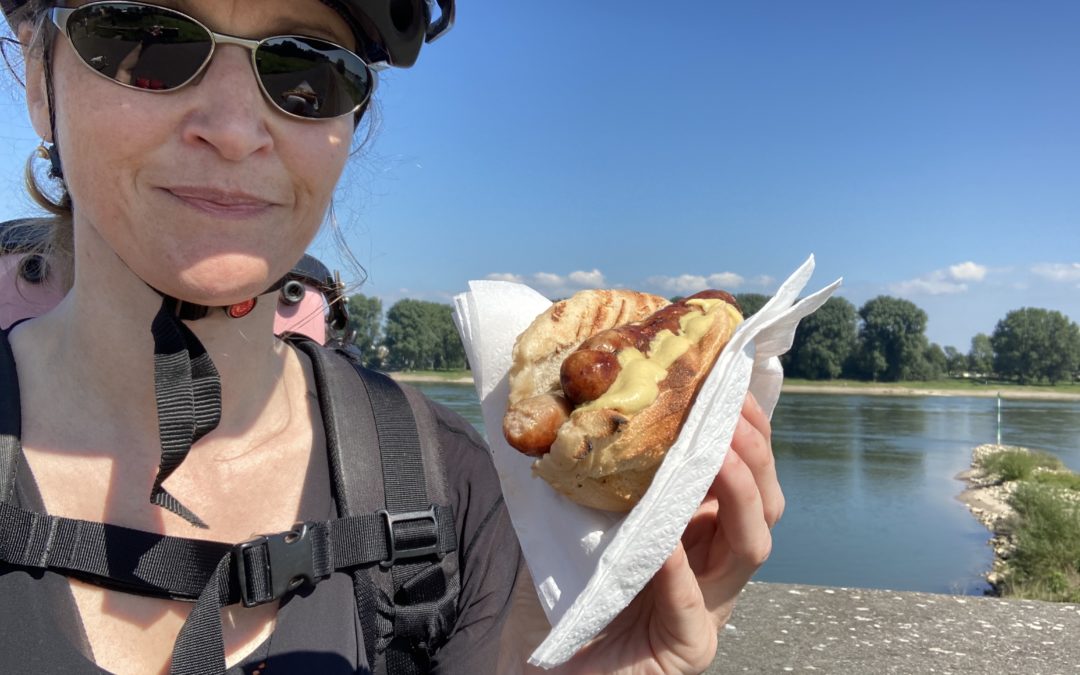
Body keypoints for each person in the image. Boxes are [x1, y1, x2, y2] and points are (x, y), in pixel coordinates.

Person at [0, 1, 782, 673]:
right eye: (149, 39)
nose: (237, 130)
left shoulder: (466, 491)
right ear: (39, 80)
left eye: (306, 69)